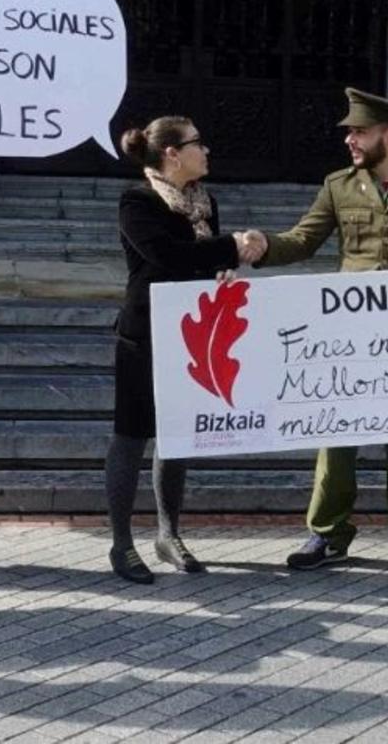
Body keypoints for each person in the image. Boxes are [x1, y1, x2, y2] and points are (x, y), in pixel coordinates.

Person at [257, 88, 388, 583]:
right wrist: (259, 247)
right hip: (347, 337)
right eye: (350, 132)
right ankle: (328, 533)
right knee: (336, 436)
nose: (350, 139)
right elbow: (304, 240)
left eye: (359, 131)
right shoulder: (339, 186)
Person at [108, 115, 264, 583]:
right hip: (144, 334)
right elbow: (168, 257)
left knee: (177, 434)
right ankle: (121, 543)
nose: (207, 150)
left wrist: (224, 269)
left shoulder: (203, 200)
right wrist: (230, 247)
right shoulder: (137, 201)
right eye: (199, 143)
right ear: (172, 153)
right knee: (132, 436)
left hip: (190, 333)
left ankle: (168, 533)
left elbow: (201, 264)